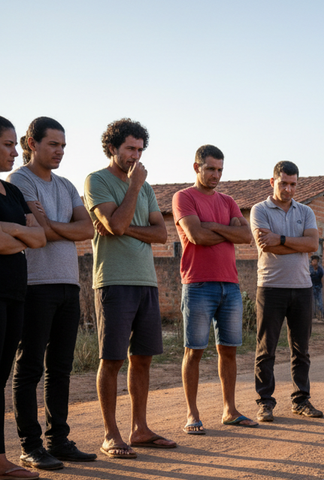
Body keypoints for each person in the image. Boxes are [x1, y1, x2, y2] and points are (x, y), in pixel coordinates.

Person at [83, 118, 176, 459]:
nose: (135, 156)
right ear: (112, 148)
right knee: (112, 359)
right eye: (129, 149)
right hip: (113, 281)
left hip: (146, 281)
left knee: (143, 359)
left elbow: (161, 234)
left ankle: (140, 429)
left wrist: (124, 228)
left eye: (140, 149)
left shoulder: (148, 189)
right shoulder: (98, 180)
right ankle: (111, 434)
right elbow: (115, 223)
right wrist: (134, 186)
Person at [8, 117, 96, 471]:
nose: (59, 151)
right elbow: (36, 233)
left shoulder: (66, 184)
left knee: (60, 368)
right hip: (34, 284)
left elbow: (87, 228)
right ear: (32, 142)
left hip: (68, 284)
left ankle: (58, 440)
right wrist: (62, 229)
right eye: (52, 145)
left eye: (63, 146)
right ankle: (30, 445)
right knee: (29, 368)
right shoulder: (20, 180)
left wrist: (52, 225)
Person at [173, 145, 256, 435]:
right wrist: (225, 228)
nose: (216, 175)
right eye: (210, 169)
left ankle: (229, 410)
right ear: (196, 167)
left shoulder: (228, 200)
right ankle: (192, 414)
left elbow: (246, 236)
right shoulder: (183, 197)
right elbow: (196, 236)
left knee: (229, 350)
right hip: (197, 284)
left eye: (220, 170)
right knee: (194, 351)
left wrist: (213, 226)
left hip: (230, 285)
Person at [250, 161, 323, 422]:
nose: (288, 189)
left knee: (300, 349)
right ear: (272, 182)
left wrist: (280, 239)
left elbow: (313, 244)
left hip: (302, 288)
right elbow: (266, 246)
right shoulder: (260, 210)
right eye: (283, 183)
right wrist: (297, 244)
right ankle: (265, 402)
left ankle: (301, 400)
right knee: (266, 348)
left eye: (293, 184)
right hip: (270, 288)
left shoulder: (306, 211)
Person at [0, 116, 46, 480]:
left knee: (0, 377)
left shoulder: (11, 192)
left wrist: (9, 228)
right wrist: (19, 234)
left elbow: (40, 238)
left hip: (16, 292)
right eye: (8, 144)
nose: (15, 152)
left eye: (15, 144)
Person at [309, 255, 324, 321]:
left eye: (316, 261)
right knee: (311, 302)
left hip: (318, 287)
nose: (315, 262)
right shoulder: (309, 268)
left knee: (319, 302)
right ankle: (311, 317)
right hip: (311, 286)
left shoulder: (320, 269)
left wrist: (321, 285)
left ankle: (320, 316)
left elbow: (322, 277)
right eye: (314, 261)